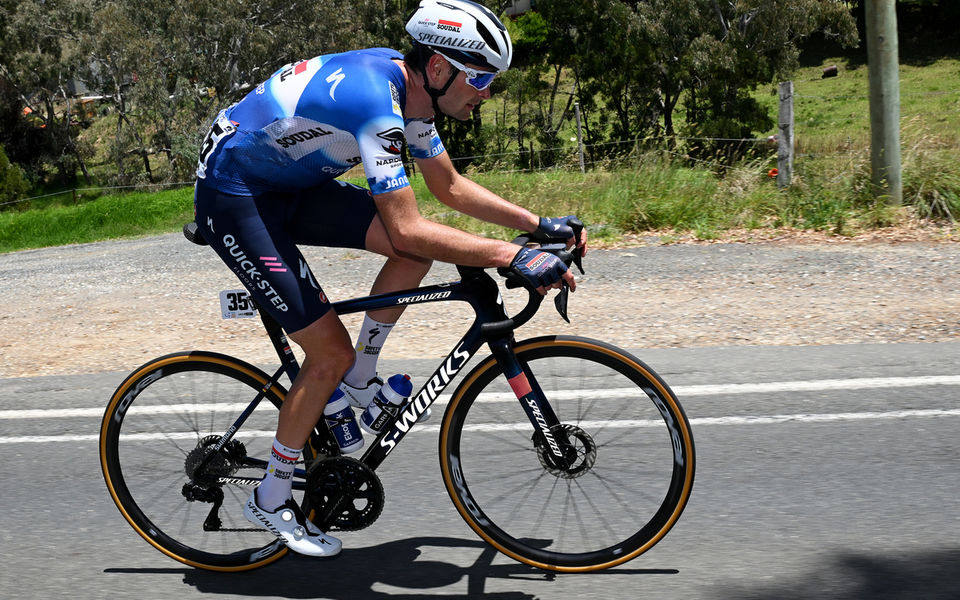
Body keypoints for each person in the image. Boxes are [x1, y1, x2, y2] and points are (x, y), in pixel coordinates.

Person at [193, 0, 587, 557]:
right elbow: (407, 225)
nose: (487, 92)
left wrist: (535, 225)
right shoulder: (378, 104)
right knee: (326, 352)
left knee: (413, 259)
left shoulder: (412, 95)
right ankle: (272, 493)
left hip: (289, 186)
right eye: (479, 77)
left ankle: (362, 375)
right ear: (438, 67)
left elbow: (447, 187)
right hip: (235, 198)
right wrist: (511, 256)